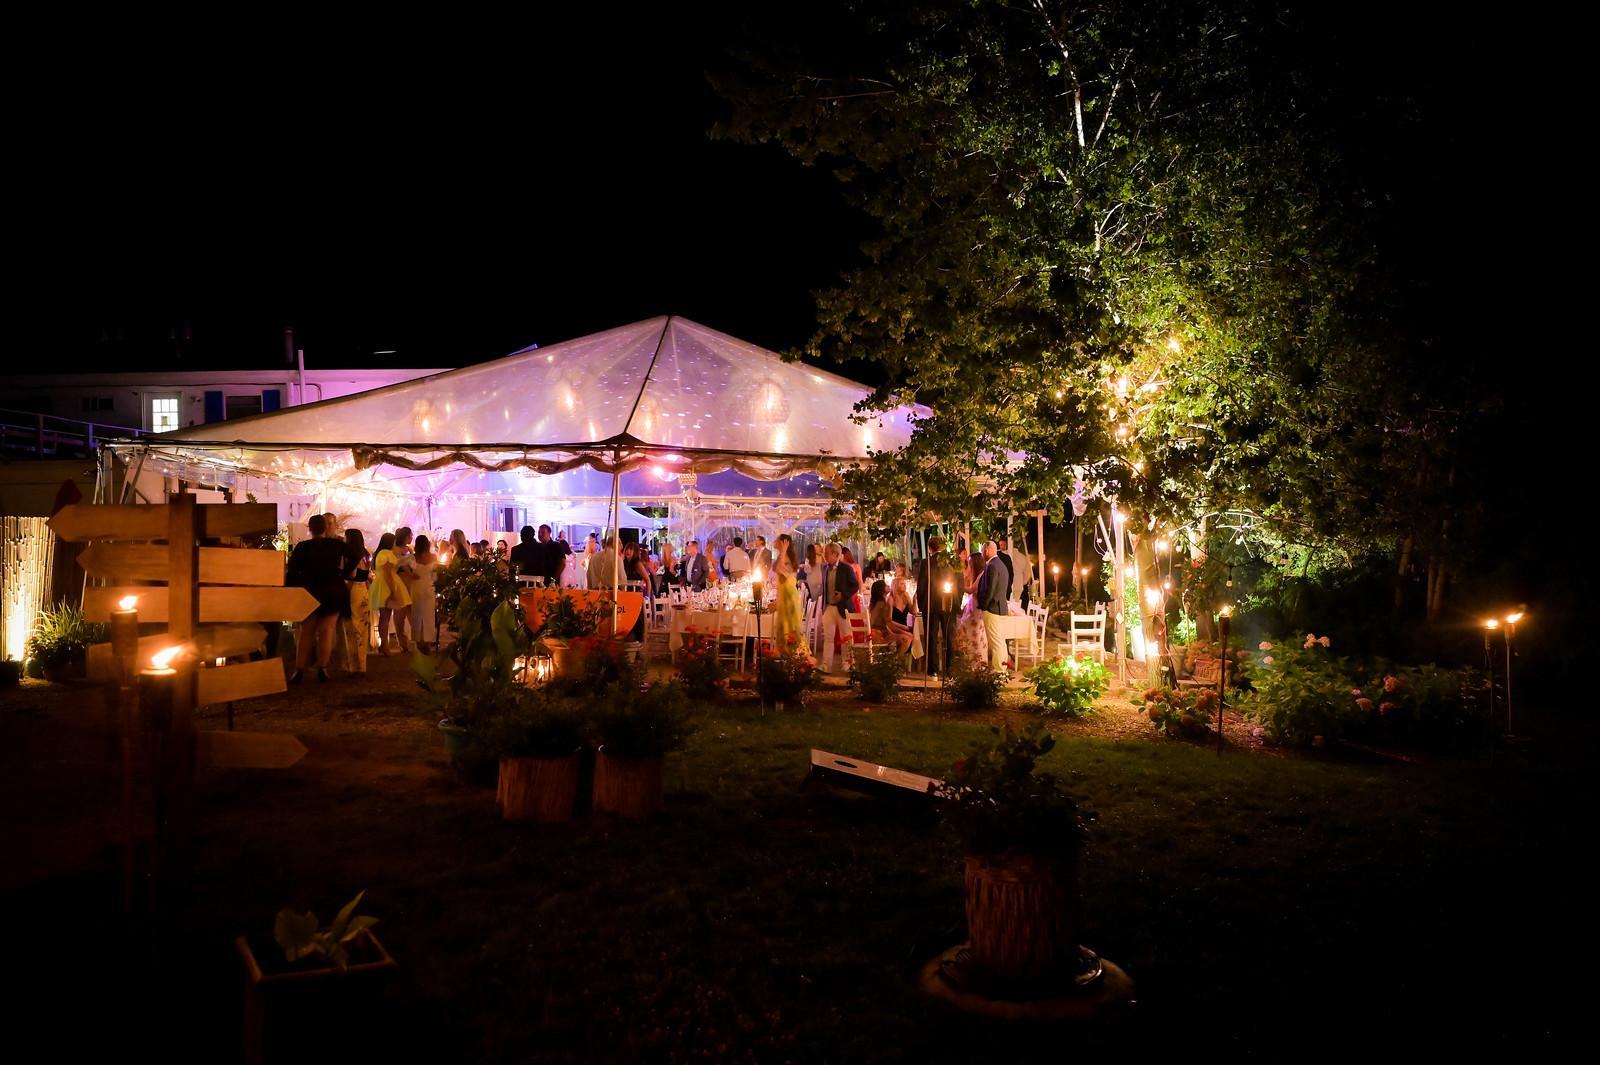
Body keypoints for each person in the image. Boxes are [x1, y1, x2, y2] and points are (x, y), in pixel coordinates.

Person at [286, 513, 348, 682]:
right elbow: (356, 554)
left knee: (306, 632)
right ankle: (323, 668)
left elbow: (292, 570)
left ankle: (299, 669)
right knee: (326, 631)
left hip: (310, 591)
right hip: (332, 591)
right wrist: (344, 572)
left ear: (310, 529)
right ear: (325, 527)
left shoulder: (302, 547)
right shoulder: (336, 545)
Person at [914, 535, 958, 674]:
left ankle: (932, 670)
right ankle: (950, 668)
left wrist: (922, 605)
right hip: (948, 603)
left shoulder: (926, 563)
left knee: (931, 637)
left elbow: (921, 586)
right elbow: (958, 583)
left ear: (929, 548)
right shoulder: (951, 562)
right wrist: (956, 603)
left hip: (931, 604)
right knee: (948, 637)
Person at [817, 541, 860, 674]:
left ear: (835, 554)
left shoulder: (846, 568)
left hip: (843, 607)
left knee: (846, 636)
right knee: (828, 637)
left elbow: (855, 585)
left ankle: (847, 663)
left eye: (827, 553)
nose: (824, 555)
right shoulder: (824, 568)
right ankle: (826, 665)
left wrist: (843, 595)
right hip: (829, 607)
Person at [370, 532, 413, 655]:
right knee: (385, 617)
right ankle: (384, 645)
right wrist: (393, 591)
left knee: (384, 617)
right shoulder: (387, 553)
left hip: (382, 584)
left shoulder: (380, 553)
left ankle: (384, 644)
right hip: (387, 585)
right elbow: (388, 573)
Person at [978, 541, 1013, 673]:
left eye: (982, 551)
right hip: (1001, 608)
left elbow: (990, 590)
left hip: (993, 609)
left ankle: (998, 670)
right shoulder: (1001, 565)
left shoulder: (992, 566)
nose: (982, 554)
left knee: (996, 642)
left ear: (987, 550)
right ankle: (1002, 669)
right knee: (1000, 641)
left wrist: (984, 606)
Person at [341, 528, 372, 675]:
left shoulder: (351, 557)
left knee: (352, 627)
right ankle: (362, 664)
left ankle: (354, 665)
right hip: (364, 590)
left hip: (352, 590)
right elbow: (367, 575)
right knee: (363, 627)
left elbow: (352, 575)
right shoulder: (366, 555)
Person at [770, 533, 804, 653]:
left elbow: (781, 569)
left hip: (789, 596)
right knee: (782, 628)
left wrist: (784, 551)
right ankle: (783, 654)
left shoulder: (788, 558)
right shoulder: (782, 556)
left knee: (789, 628)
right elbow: (775, 568)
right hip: (783, 596)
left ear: (783, 543)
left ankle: (792, 654)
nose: (774, 541)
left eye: (777, 540)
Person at [954, 552, 989, 665]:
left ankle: (976, 661)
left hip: (976, 608)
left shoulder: (981, 575)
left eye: (970, 563)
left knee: (972, 632)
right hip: (972, 606)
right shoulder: (976, 574)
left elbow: (971, 590)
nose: (969, 565)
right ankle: (968, 659)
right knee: (967, 631)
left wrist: (957, 585)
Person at [409, 535, 440, 653]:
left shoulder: (412, 557)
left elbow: (400, 566)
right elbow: (435, 575)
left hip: (416, 586)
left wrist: (410, 574)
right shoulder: (433, 557)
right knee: (429, 614)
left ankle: (418, 640)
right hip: (429, 586)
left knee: (416, 614)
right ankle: (428, 640)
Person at [889, 576, 921, 663]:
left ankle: (901, 662)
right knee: (910, 636)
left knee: (917, 637)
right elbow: (889, 621)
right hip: (893, 627)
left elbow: (914, 612)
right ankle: (897, 661)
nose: (905, 586)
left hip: (904, 627)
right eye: (902, 584)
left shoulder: (906, 596)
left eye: (905, 584)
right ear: (895, 586)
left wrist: (914, 601)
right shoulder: (891, 599)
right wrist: (905, 628)